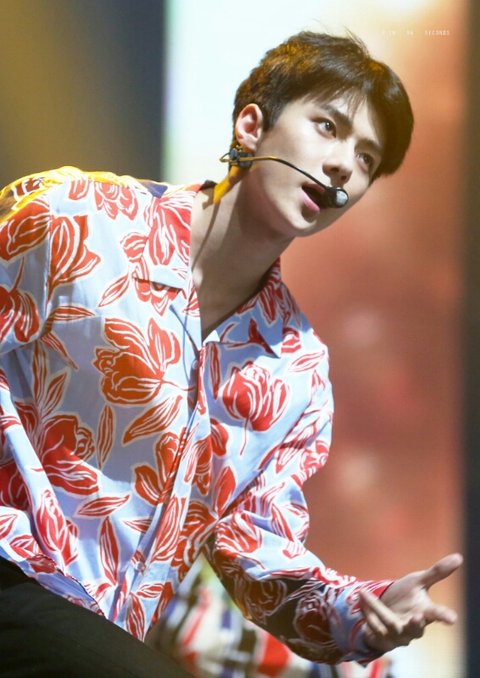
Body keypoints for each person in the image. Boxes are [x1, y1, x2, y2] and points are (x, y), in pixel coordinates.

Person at [0, 30, 462, 676]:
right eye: (328, 127)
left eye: (365, 159)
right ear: (251, 125)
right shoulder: (76, 220)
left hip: (100, 634)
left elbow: (261, 563)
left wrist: (364, 612)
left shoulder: (294, 371)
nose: (341, 166)